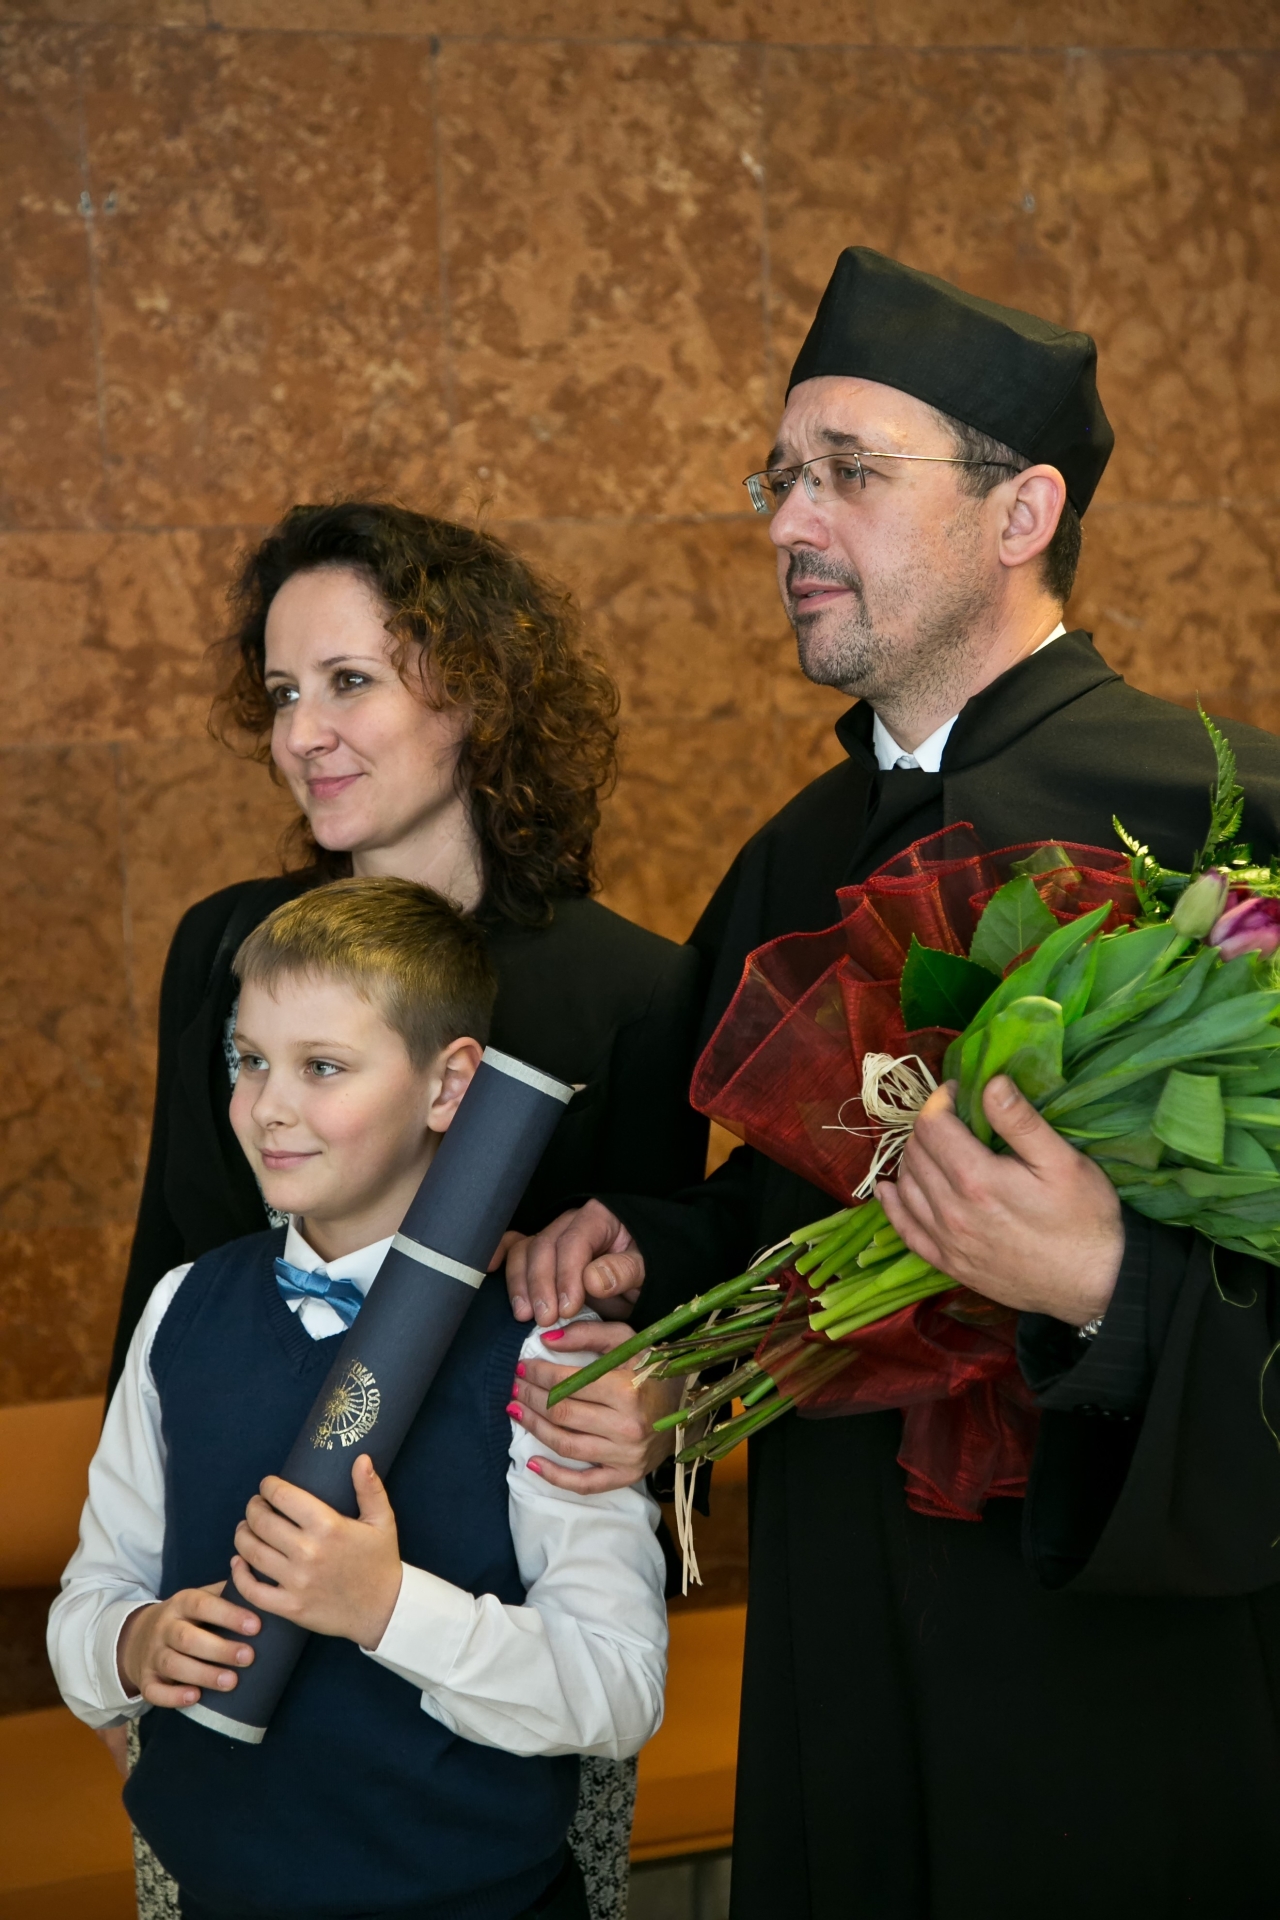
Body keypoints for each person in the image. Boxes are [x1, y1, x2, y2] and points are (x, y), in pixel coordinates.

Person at [501, 250, 1280, 1917]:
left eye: (848, 472)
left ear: (1022, 513)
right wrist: (657, 1261)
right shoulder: (793, 856)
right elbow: (777, 1211)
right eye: (781, 476)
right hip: (840, 1657)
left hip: (1118, 1692)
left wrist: (1110, 1284)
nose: (788, 521)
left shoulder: (1225, 823)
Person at [105, 501, 703, 1920]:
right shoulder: (230, 948)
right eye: (281, 693)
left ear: (476, 691)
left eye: (350, 681)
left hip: (489, 1691)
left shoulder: (631, 992)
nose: (303, 732)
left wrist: (661, 1394)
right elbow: (175, 1276)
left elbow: (662, 1335)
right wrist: (130, 1631)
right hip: (232, 1662)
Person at [50, 877, 668, 1920]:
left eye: (323, 1067)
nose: (268, 1106)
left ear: (449, 1085)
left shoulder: (545, 1346)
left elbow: (617, 1689)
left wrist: (385, 1608)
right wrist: (131, 1643)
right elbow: (91, 1595)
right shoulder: (182, 1307)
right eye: (249, 1060)